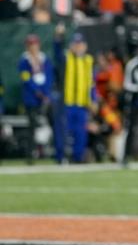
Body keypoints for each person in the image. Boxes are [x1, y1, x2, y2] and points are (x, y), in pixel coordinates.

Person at [53, 28, 98, 164]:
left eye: (80, 44)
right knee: (64, 132)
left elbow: (91, 83)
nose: (78, 47)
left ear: (85, 46)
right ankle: (61, 157)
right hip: (67, 102)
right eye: (75, 44)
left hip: (81, 104)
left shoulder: (89, 61)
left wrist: (93, 99)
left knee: (80, 133)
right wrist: (59, 37)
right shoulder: (66, 58)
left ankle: (78, 158)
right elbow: (57, 52)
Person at [18, 34, 54, 163]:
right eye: (30, 45)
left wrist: (45, 93)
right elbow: (26, 78)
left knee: (54, 121)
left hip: (45, 96)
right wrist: (37, 91)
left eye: (35, 44)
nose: (33, 47)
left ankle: (57, 151)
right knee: (31, 126)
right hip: (31, 98)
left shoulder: (44, 59)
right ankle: (30, 155)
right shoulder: (24, 60)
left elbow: (49, 77)